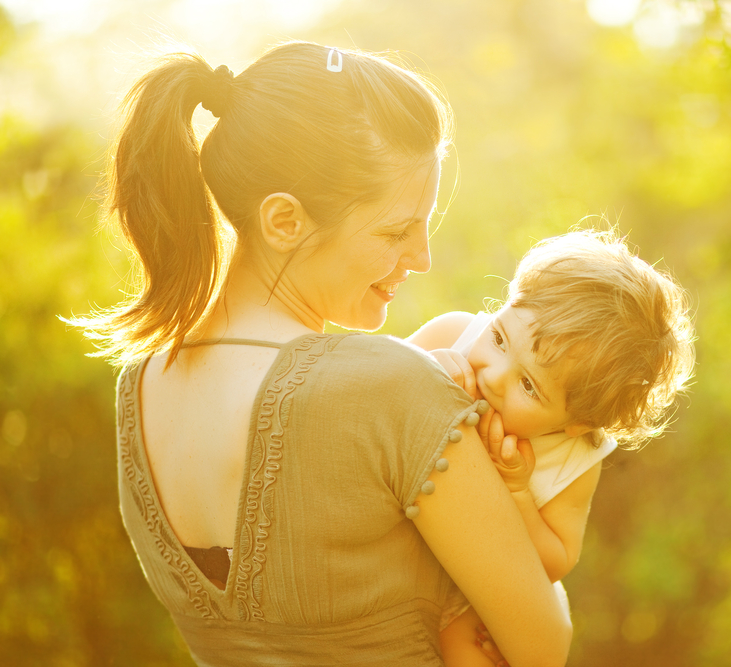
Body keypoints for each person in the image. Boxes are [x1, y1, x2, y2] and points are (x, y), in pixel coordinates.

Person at [73, 42, 571, 667]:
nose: (422, 257)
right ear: (284, 221)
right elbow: (543, 645)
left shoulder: (141, 385)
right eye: (396, 230)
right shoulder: (393, 388)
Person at [406, 230, 695, 666]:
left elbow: (555, 563)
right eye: (500, 339)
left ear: (576, 423)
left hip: (463, 593)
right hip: (393, 543)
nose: (493, 375)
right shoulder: (453, 337)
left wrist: (518, 492)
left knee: (471, 646)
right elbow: (365, 392)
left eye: (528, 385)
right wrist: (422, 374)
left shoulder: (574, 458)